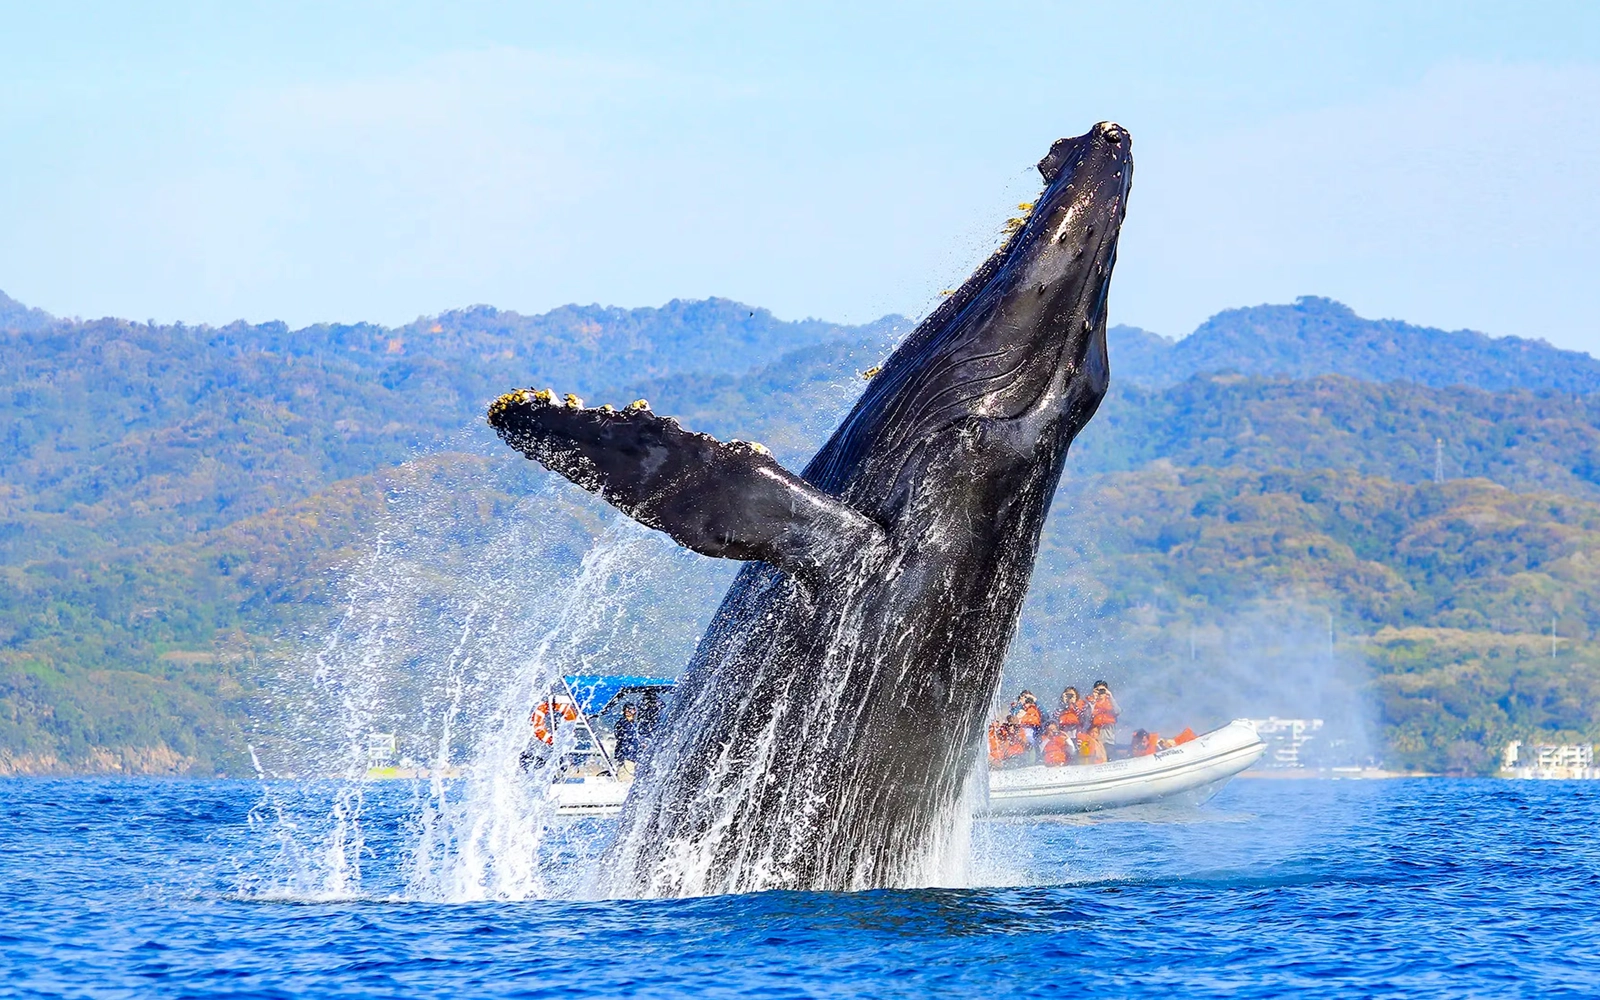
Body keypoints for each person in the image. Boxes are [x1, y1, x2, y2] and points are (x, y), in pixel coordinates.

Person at [613, 703, 642, 778]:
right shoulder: (624, 724)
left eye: (630, 710)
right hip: (627, 757)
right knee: (626, 778)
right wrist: (625, 755)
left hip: (632, 756)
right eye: (627, 710)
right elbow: (623, 740)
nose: (628, 712)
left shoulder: (633, 724)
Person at [1089, 680, 1120, 747]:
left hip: (1108, 740)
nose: (1100, 693)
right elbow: (1087, 717)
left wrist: (1110, 696)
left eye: (1102, 690)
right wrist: (1094, 699)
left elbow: (1117, 711)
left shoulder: (1111, 702)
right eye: (1098, 690)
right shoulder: (1091, 703)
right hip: (1095, 740)